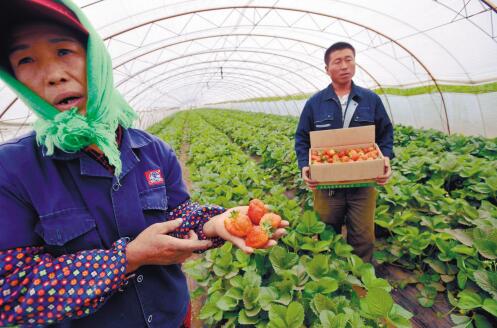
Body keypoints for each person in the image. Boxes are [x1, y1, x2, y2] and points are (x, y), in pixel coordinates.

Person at [0, 1, 287, 327]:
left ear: (96, 60)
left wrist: (214, 223)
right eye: (25, 59)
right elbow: (9, 293)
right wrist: (128, 258)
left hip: (172, 317)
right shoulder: (12, 170)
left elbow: (177, 216)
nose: (52, 75)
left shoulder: (153, 150)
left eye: (64, 51)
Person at [294, 41, 393, 263]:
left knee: (363, 236)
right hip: (327, 184)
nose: (344, 66)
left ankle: (359, 280)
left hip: (363, 181)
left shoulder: (370, 100)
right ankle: (330, 275)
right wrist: (305, 165)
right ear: (327, 68)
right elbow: (302, 138)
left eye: (349, 59)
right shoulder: (315, 103)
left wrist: (385, 159)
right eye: (337, 61)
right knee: (327, 232)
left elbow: (385, 134)